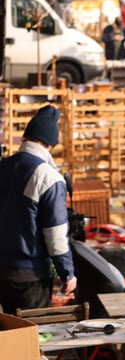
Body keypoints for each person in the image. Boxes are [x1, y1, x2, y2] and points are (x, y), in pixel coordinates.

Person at [0, 106, 76, 312]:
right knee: (31, 340)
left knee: (6, 338)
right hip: (29, 278)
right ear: (50, 144)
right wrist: (67, 272)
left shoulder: (4, 166)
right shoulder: (49, 177)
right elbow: (55, 234)